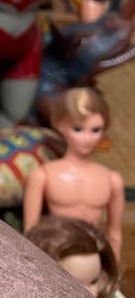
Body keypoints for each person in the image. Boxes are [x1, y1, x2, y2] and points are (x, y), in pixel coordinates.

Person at [22, 87, 124, 258]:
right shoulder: (43, 175)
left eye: (95, 130)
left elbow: (114, 234)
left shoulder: (112, 179)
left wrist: (114, 269)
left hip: (95, 256)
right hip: (56, 255)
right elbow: (31, 232)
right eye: (78, 129)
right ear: (61, 126)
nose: (87, 138)